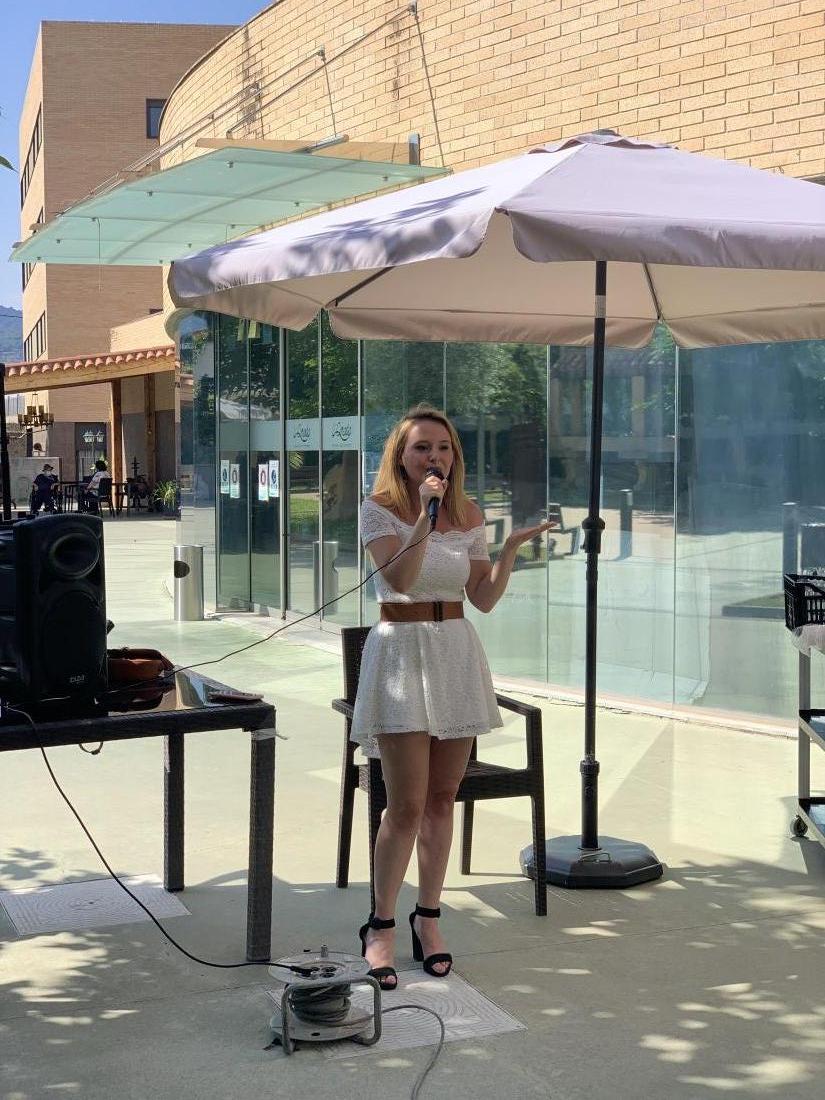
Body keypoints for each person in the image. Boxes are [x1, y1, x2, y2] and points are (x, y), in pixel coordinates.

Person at [351, 404, 556, 989]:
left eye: (443, 447)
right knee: (405, 805)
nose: (434, 456)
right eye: (421, 447)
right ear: (401, 456)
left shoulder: (468, 512)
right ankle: (381, 925)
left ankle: (429, 918)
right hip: (401, 651)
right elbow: (400, 579)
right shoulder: (378, 509)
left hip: (455, 654)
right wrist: (424, 514)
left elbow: (483, 599)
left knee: (443, 800)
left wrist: (508, 549)